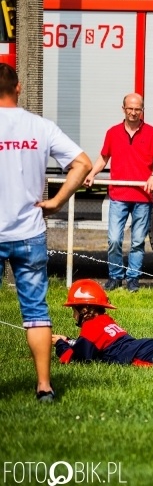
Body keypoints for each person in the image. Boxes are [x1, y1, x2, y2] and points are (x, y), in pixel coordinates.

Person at [0, 63, 92, 403]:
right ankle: (44, 387)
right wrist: (56, 200)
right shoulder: (40, 126)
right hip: (30, 231)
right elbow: (82, 163)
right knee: (36, 312)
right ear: (19, 88)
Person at [83, 93, 153, 293]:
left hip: (142, 197)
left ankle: (133, 280)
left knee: (137, 241)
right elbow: (104, 158)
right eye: (130, 108)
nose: (133, 112)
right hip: (118, 195)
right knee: (113, 239)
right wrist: (92, 174)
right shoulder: (112, 132)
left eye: (137, 109)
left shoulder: (152, 133)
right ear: (123, 109)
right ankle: (114, 277)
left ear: (142, 110)